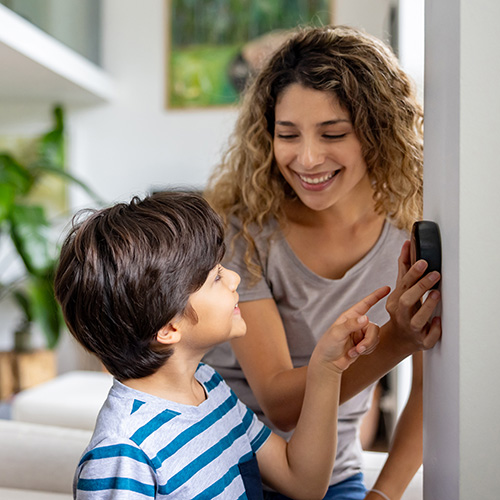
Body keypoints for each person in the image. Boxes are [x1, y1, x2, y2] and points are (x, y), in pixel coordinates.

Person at [203, 25, 442, 500]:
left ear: (378, 132)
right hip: (227, 466)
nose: (308, 159)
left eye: (333, 133)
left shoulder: (413, 233)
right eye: (287, 134)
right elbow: (279, 404)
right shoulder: (244, 231)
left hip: (333, 474)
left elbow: (430, 392)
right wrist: (396, 340)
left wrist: (385, 494)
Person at [54, 191, 389, 500]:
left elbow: (303, 483)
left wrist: (327, 368)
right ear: (169, 327)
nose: (234, 278)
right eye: (215, 277)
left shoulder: (210, 388)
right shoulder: (122, 451)